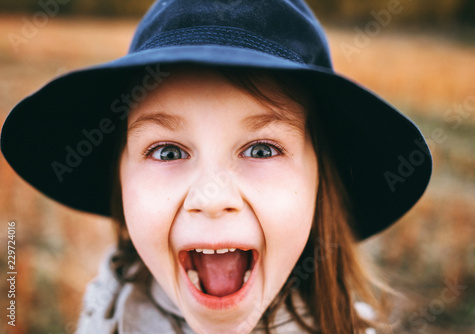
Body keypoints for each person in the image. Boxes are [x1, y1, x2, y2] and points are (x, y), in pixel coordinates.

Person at [0, 0, 432, 333]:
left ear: (322, 181)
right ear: (120, 180)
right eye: (167, 151)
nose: (212, 198)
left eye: (261, 149)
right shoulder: (103, 319)